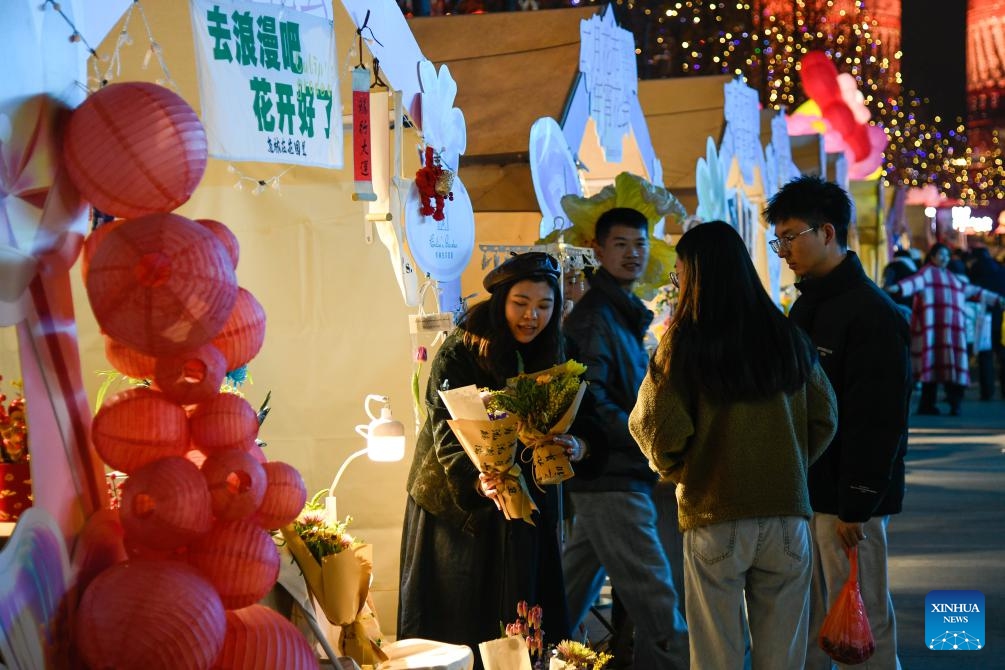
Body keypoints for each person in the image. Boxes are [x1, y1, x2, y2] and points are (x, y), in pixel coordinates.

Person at [628, 221, 837, 669]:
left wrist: (681, 469)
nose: (676, 283)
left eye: (679, 273)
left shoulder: (683, 343)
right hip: (786, 514)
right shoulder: (788, 337)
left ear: (695, 276)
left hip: (714, 512)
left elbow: (655, 427)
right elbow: (825, 417)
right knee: (782, 660)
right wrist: (792, 462)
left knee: (716, 657)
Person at [397, 252, 604, 664]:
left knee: (524, 615)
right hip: (460, 508)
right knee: (461, 615)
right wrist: (477, 481)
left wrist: (578, 446)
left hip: (527, 505)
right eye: (521, 304)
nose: (532, 316)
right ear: (500, 301)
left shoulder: (562, 350)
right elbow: (444, 427)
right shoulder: (464, 347)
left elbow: (589, 417)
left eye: (544, 306)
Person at [764, 175, 911, 670]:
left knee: (861, 618)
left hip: (847, 501)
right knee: (815, 618)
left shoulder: (872, 312)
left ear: (827, 232)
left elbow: (879, 416)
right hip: (810, 492)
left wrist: (859, 501)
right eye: (778, 239)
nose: (783, 249)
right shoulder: (808, 305)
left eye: (790, 236)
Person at [560, 206, 689, 669]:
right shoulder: (597, 318)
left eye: (639, 244)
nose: (633, 254)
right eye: (620, 245)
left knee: (566, 597)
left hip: (611, 476)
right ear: (598, 250)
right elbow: (590, 400)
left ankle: (530, 655)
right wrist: (647, 436)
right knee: (660, 607)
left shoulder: (620, 314)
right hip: (614, 478)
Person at [887, 243, 1005, 415]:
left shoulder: (951, 276)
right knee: (936, 370)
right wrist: (896, 288)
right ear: (933, 256)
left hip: (950, 332)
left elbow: (971, 290)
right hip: (935, 332)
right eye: (941, 254)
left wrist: (995, 299)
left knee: (948, 368)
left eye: (947, 255)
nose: (945, 258)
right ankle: (929, 405)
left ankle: (952, 404)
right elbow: (912, 283)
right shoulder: (926, 274)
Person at [966, 246, 1005, 400]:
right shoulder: (1001, 270)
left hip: (983, 318)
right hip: (1002, 318)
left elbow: (973, 293)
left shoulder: (975, 271)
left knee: (985, 355)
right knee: (1002, 354)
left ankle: (987, 391)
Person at [880, 248, 918, 320]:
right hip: (910, 307)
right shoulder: (914, 268)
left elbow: (887, 285)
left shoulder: (892, 266)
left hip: (894, 305)